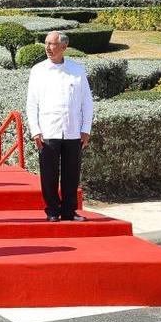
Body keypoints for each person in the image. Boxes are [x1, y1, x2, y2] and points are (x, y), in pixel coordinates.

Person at [26, 31, 92, 223]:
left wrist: (85, 128)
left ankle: (69, 211)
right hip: (48, 130)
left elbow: (86, 102)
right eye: (46, 43)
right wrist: (35, 130)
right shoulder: (38, 70)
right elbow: (32, 103)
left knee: (72, 173)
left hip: (72, 130)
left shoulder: (77, 70)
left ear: (64, 47)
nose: (48, 47)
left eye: (52, 44)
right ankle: (52, 210)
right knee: (49, 174)